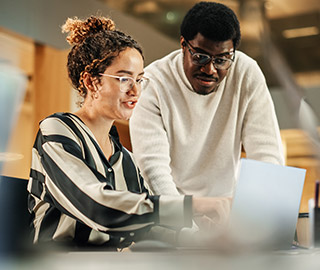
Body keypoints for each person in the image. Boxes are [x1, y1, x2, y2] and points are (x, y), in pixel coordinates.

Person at [27, 15, 230, 250]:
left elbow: (146, 227)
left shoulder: (126, 159)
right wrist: (191, 206)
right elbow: (97, 208)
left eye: (140, 79)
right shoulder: (57, 131)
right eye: (124, 78)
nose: (135, 90)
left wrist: (204, 239)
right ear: (92, 82)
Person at [129, 2, 285, 198]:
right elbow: (153, 171)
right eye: (200, 57)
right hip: (172, 208)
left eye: (221, 60)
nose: (210, 70)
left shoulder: (246, 73)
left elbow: (267, 155)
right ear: (183, 45)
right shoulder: (153, 83)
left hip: (225, 206)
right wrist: (186, 222)